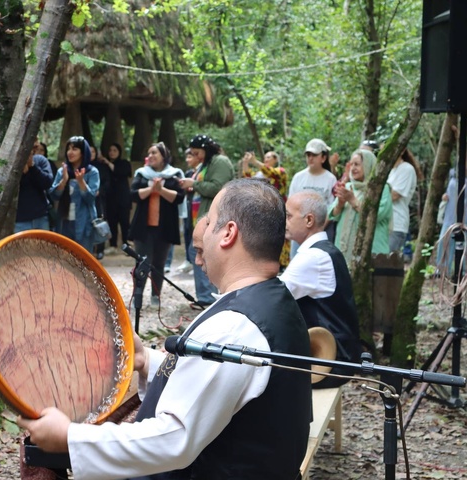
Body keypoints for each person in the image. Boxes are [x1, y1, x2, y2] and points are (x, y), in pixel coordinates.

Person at [18, 178, 312, 479]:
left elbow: (173, 439)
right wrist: (146, 360)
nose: (202, 231)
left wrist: (70, 437)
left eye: (208, 222)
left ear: (228, 233)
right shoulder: (272, 301)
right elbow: (215, 384)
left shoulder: (236, 327)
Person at [280, 191, 361, 388]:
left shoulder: (313, 257)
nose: (284, 221)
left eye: (289, 216)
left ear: (309, 220)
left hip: (329, 362)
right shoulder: (325, 251)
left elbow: (274, 297)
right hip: (342, 356)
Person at [178, 134, 234, 307]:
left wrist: (193, 184)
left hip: (216, 216)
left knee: (199, 252)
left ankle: (207, 298)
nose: (196, 157)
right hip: (203, 216)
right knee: (198, 252)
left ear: (206, 149)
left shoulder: (220, 162)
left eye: (197, 152)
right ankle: (206, 297)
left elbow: (219, 187)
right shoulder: (208, 163)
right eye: (193, 153)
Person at [127, 142, 185, 307]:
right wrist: (152, 189)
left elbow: (179, 197)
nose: (150, 156)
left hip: (165, 227)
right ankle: (137, 296)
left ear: (164, 156)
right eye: (149, 153)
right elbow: (133, 195)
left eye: (154, 153)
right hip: (143, 228)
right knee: (142, 262)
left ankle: (155, 296)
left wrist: (161, 190)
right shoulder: (142, 174)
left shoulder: (174, 175)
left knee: (159, 264)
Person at [328, 148, 392, 265]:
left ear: (368, 165)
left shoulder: (381, 189)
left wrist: (353, 200)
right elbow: (333, 215)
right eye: (351, 164)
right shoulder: (347, 186)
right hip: (344, 252)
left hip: (373, 253)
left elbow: (377, 216)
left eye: (357, 164)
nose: (353, 168)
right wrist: (340, 204)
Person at [49, 136, 99, 253]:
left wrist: (81, 181)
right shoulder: (62, 171)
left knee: (84, 262)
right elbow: (54, 195)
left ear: (83, 152)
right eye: (69, 149)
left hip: (84, 223)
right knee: (64, 260)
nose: (70, 152)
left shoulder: (92, 172)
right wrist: (64, 180)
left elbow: (91, 198)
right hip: (64, 222)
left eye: (75, 149)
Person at [241, 150, 290, 269]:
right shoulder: (259, 174)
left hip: (278, 208)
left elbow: (271, 172)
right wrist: (246, 163)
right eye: (265, 157)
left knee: (281, 236)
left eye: (269, 157)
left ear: (276, 159)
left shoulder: (280, 172)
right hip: (263, 209)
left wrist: (254, 161)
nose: (266, 159)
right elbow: (247, 180)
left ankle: (283, 264)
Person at [289, 138, 338, 257]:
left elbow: (332, 207)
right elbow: (290, 204)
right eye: (308, 155)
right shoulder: (298, 177)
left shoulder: (330, 179)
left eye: (314, 155)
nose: (310, 158)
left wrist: (318, 229)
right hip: (299, 231)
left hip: (322, 230)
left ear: (323, 157)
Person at [14, 140, 54, 233]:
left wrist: (32, 166)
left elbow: (47, 182)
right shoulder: (12, 163)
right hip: (20, 220)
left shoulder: (40, 160)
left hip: (41, 218)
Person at [387, 148, 421, 256]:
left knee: (387, 261)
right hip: (385, 223)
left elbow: (395, 195)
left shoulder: (406, 169)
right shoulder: (390, 170)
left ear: (401, 151)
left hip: (396, 223)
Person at [103, 143, 132, 255]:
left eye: (115, 150)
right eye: (110, 150)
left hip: (123, 198)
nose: (112, 152)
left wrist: (107, 162)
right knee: (112, 223)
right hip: (110, 199)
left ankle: (127, 246)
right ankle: (113, 245)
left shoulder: (124, 163)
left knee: (125, 223)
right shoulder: (104, 166)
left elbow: (120, 172)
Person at [91, 145, 112, 259]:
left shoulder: (102, 167)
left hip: (99, 199)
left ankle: (100, 250)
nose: (91, 154)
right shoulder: (82, 166)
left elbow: (107, 183)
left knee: (100, 222)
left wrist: (100, 191)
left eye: (93, 151)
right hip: (86, 200)